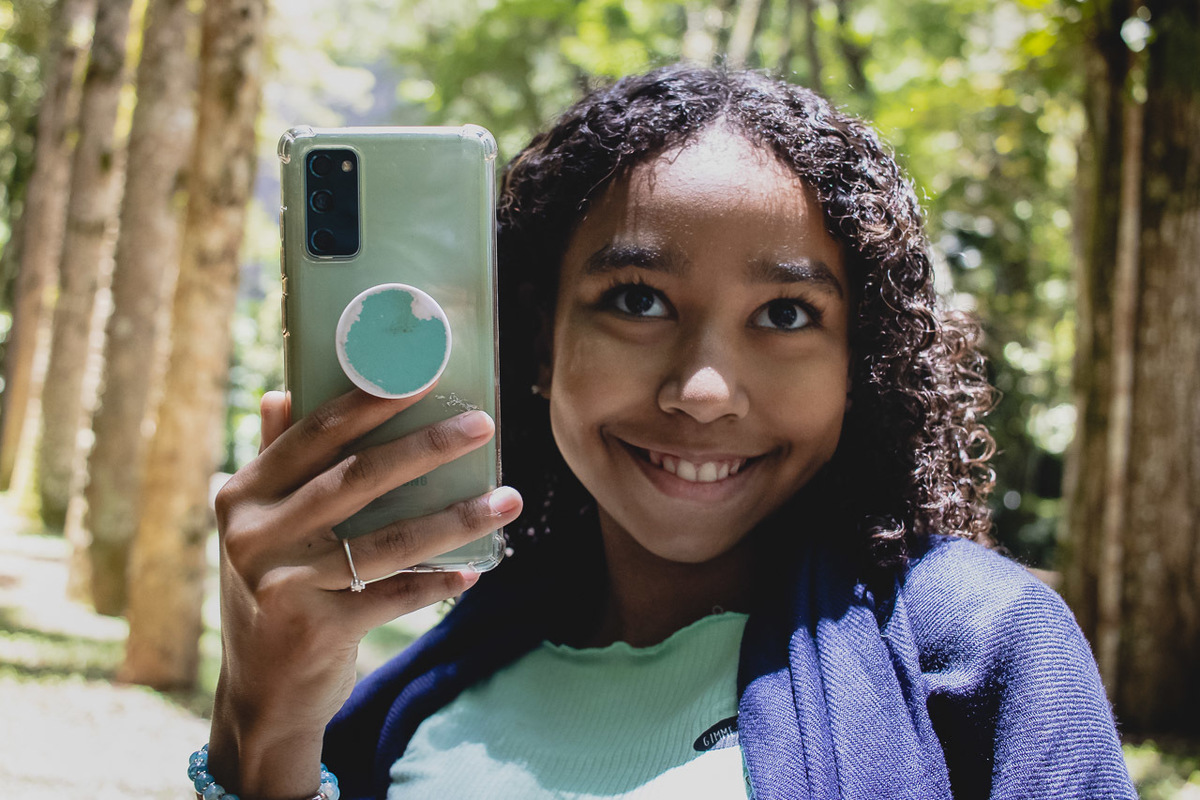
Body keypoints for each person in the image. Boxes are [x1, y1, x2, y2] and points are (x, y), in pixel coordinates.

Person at [197, 65, 1136, 800]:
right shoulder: (427, 693)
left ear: (865, 364)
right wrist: (266, 727)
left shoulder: (983, 647)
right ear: (537, 341)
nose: (703, 390)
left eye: (786, 314)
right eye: (637, 300)